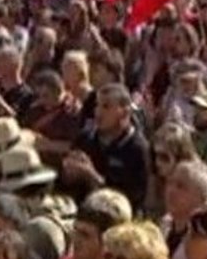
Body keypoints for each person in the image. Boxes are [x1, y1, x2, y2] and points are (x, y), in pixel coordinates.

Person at [63, 83, 150, 212]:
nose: (98, 112)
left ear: (124, 112)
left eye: (106, 106)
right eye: (97, 105)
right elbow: (66, 184)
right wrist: (69, 171)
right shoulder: (85, 139)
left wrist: (92, 176)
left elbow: (132, 199)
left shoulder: (137, 149)